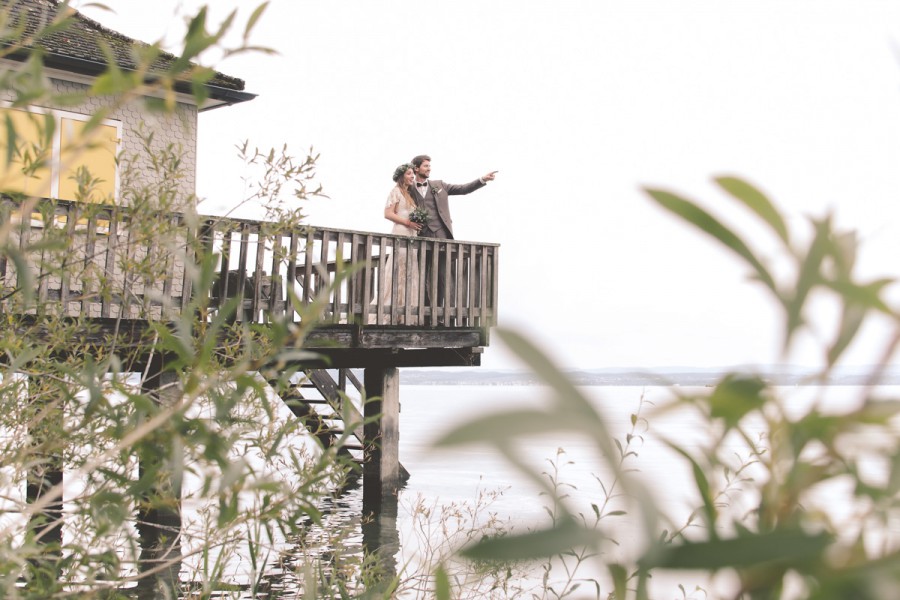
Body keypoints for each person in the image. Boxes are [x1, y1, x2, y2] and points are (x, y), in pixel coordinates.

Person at [409, 154, 497, 323]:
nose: (429, 168)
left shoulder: (439, 185)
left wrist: (482, 179)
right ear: (416, 168)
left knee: (442, 276)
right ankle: (426, 314)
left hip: (442, 236)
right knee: (421, 277)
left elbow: (463, 189)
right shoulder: (409, 188)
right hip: (420, 238)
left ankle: (440, 314)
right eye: (426, 166)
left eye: (429, 166)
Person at [379, 163, 422, 324]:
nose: (412, 177)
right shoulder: (395, 192)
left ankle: (405, 313)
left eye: (413, 174)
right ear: (402, 176)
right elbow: (388, 213)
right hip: (402, 232)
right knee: (399, 269)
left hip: (412, 234)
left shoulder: (409, 194)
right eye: (410, 174)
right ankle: (390, 311)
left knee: (410, 271)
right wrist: (407, 222)